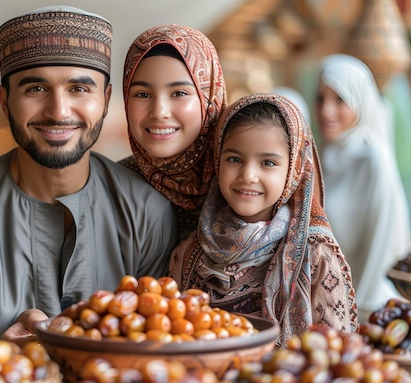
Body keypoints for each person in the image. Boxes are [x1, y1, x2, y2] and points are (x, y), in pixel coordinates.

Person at [0, 6, 179, 340]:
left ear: (106, 100)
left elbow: (155, 353)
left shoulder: (147, 213)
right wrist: (1, 358)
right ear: (4, 101)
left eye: (79, 89)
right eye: (35, 89)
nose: (58, 111)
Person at [170, 93, 358, 346]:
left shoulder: (315, 255)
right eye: (234, 159)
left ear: (294, 169)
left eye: (268, 162)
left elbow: (339, 354)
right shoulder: (191, 251)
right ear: (217, 161)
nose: (248, 175)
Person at [314, 54, 411, 321]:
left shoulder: (373, 160)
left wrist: (357, 314)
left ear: (360, 101)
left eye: (340, 100)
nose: (326, 112)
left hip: (365, 311)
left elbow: (383, 244)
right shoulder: (321, 154)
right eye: (321, 99)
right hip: (324, 307)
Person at [120, 24, 226, 240]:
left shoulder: (241, 181)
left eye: (178, 93)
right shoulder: (111, 189)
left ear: (209, 98)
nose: (159, 112)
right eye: (142, 94)